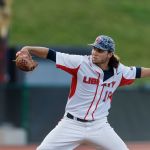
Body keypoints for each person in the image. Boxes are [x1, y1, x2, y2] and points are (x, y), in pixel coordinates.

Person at [16, 35, 150, 150]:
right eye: (94, 48)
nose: (94, 52)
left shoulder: (120, 72)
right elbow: (51, 54)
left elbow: (140, 72)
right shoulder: (80, 63)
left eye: (100, 50)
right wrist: (28, 48)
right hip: (71, 124)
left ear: (109, 54)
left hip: (99, 126)